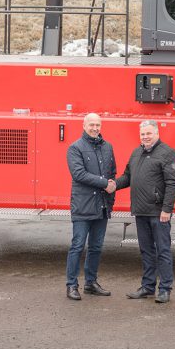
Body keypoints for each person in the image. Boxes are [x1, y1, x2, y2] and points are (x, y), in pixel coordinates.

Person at [114, 119, 175, 304]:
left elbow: (173, 184)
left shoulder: (168, 153)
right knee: (146, 251)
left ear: (157, 133)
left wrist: (167, 209)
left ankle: (165, 289)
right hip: (141, 212)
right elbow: (128, 176)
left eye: (149, 133)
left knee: (163, 251)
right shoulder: (136, 153)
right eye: (143, 134)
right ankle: (148, 287)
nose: (145, 137)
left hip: (159, 213)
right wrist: (113, 185)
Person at [64, 112, 117, 301]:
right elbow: (79, 174)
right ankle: (71, 285)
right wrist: (105, 184)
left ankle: (91, 283)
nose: (95, 128)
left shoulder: (107, 147)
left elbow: (112, 174)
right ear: (84, 125)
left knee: (96, 247)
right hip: (83, 205)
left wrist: (110, 199)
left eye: (98, 125)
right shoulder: (75, 148)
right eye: (91, 125)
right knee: (77, 246)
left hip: (101, 206)